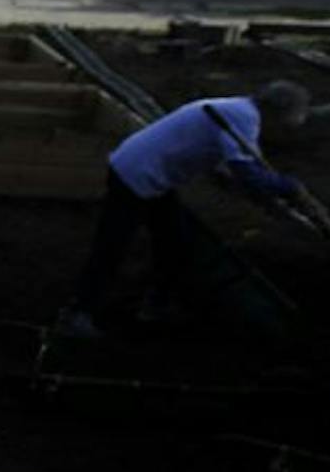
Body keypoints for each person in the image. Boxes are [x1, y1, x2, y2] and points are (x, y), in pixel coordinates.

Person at [60, 80, 312, 340]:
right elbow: (247, 175)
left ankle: (155, 303)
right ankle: (78, 313)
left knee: (173, 241)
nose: (278, 132)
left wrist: (271, 189)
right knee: (112, 246)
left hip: (146, 173)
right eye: (282, 125)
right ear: (276, 112)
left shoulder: (238, 109)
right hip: (137, 175)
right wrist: (291, 187)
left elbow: (239, 171)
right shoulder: (243, 118)